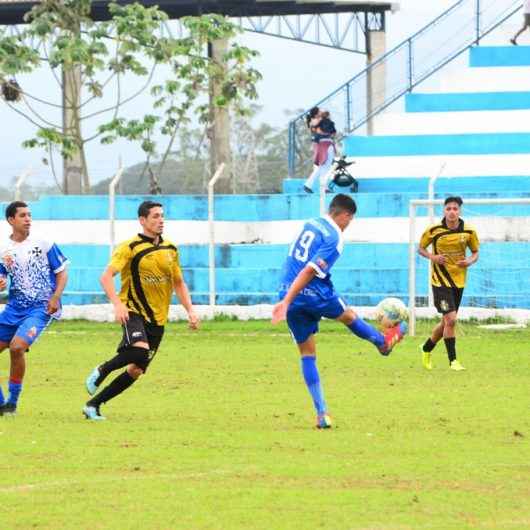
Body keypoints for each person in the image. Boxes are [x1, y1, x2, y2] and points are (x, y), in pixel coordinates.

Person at [271, 194, 407, 429]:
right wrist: (289, 300)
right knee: (348, 315)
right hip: (309, 291)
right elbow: (309, 272)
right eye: (349, 220)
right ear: (345, 215)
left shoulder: (311, 223)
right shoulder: (334, 237)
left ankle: (322, 413)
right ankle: (382, 343)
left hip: (286, 289)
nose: (347, 225)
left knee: (307, 353)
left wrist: (286, 299)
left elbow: (293, 261)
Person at [83, 200, 199, 420]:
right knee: (139, 350)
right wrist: (118, 304)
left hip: (159, 318)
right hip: (133, 310)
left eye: (162, 216)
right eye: (155, 216)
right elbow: (106, 277)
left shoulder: (170, 249)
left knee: (136, 369)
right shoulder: (130, 247)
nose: (160, 220)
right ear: (142, 220)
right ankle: (102, 370)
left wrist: (190, 310)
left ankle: (93, 406)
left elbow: (178, 283)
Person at [0, 201, 69, 416]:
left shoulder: (43, 242)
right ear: (11, 220)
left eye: (29, 215)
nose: (28, 219)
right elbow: (2, 276)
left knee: (17, 347)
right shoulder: (4, 249)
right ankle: (1, 404)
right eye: (23, 215)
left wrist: (55, 297)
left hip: (40, 307)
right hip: (14, 307)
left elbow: (62, 271)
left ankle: (12, 402)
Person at [418, 196, 479, 371]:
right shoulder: (434, 230)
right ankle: (453, 361)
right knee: (451, 319)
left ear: (460, 211)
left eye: (455, 208)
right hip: (439, 281)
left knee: (446, 322)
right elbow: (420, 248)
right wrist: (433, 257)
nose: (452, 211)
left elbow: (475, 252)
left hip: (459, 281)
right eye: (448, 208)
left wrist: (469, 261)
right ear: (444, 211)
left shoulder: (469, 231)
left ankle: (426, 348)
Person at [304, 110, 337, 194]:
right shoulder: (327, 122)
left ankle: (324, 187)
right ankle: (309, 184)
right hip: (327, 144)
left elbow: (316, 131)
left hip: (320, 145)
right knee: (324, 166)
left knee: (323, 167)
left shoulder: (315, 123)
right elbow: (333, 133)